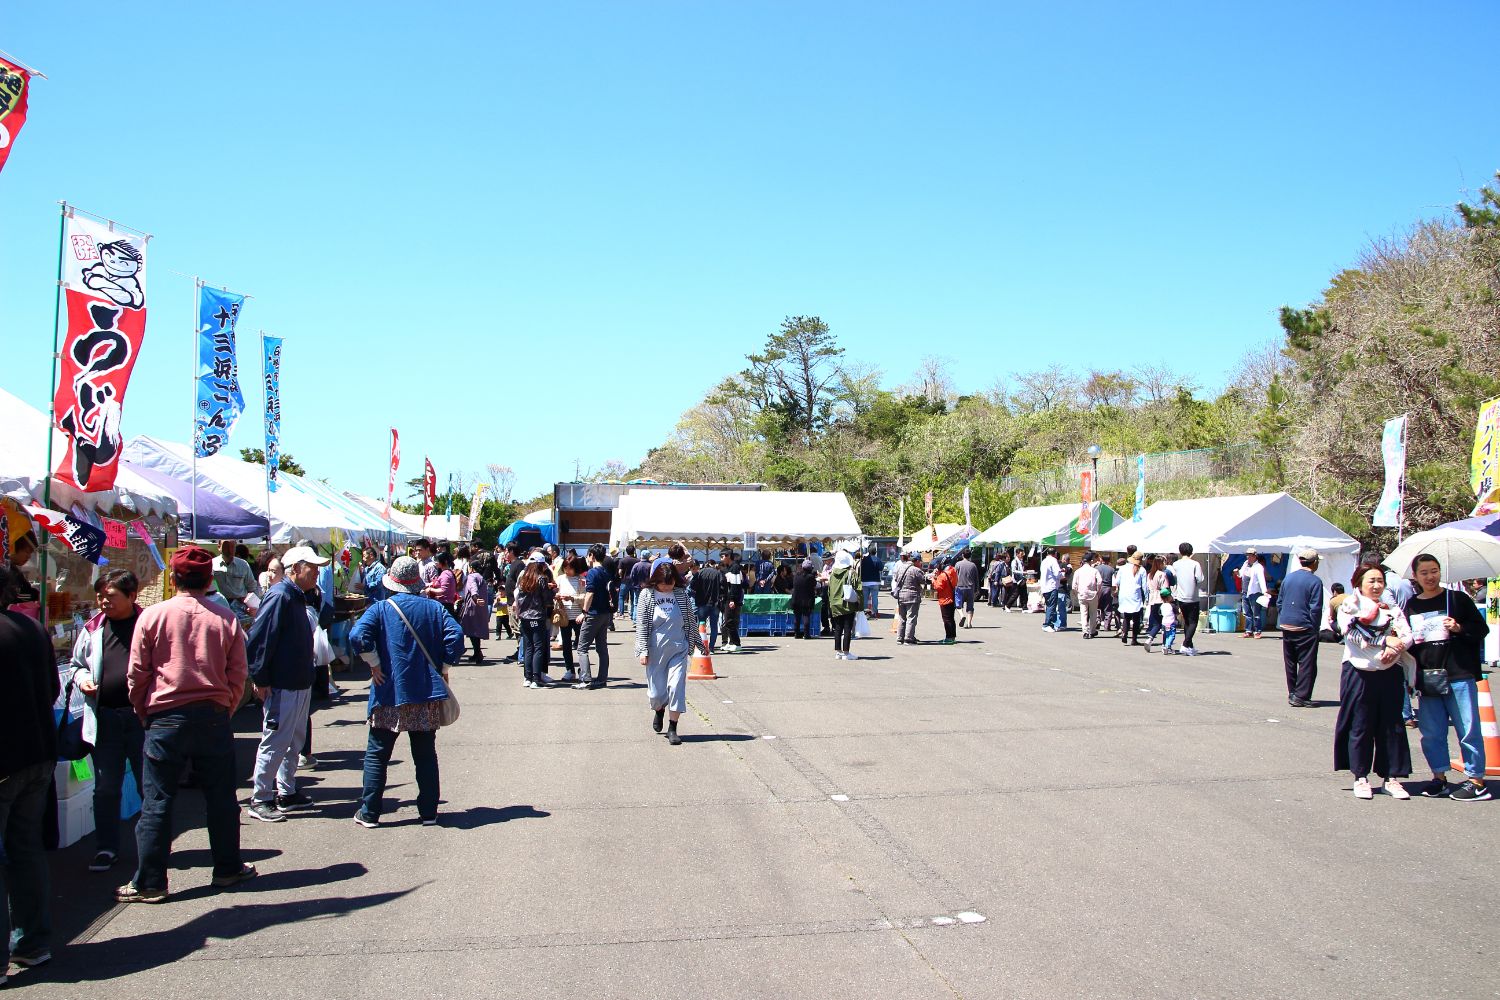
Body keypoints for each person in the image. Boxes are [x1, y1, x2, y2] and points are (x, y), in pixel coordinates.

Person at [119, 546, 254, 903]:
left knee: (158, 799)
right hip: (212, 714)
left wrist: (143, 710)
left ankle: (150, 881)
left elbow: (136, 674)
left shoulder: (151, 616)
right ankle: (227, 868)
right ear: (210, 579)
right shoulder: (225, 618)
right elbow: (238, 673)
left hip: (165, 716)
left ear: (174, 578)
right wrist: (226, 706)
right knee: (221, 797)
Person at [348, 555, 464, 827]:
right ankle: (428, 812)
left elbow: (357, 636)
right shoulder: (434, 609)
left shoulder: (380, 608)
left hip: (388, 689)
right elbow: (455, 636)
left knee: (378, 752)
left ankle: (369, 812)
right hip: (425, 692)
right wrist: (445, 666)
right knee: (425, 754)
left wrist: (374, 663)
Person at [1, 554, 59, 972]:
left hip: (7, 759)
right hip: (37, 756)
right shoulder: (31, 628)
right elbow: (53, 690)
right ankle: (32, 941)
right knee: (25, 850)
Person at [243, 545, 328, 823]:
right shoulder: (280, 596)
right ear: (294, 569)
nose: (316, 572)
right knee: (276, 739)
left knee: (294, 740)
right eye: (311, 567)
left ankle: (286, 791)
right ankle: (260, 797)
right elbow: (261, 637)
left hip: (299, 680)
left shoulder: (295, 595)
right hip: (283, 682)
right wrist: (261, 677)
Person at [70, 569, 146, 873]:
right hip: (105, 719)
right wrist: (83, 678)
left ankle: (153, 847)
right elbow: (77, 665)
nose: (103, 602)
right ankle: (106, 848)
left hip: (142, 718)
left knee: (148, 785)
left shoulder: (148, 625)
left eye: (110, 596)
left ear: (132, 596)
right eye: (100, 595)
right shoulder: (93, 628)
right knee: (105, 787)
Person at [1405, 553, 1492, 801]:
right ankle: (1439, 778)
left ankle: (1476, 781)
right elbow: (1410, 642)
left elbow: (1480, 630)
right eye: (1424, 573)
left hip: (1459, 673)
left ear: (1440, 572)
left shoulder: (1457, 599)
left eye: (1434, 571)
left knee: (1468, 729)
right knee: (1432, 732)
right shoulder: (1412, 605)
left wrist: (1459, 628)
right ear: (1416, 576)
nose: (1430, 576)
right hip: (1428, 678)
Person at [1334, 562, 1413, 800]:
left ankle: (1391, 777)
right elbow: (1352, 634)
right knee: (1361, 725)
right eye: (1371, 581)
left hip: (1389, 671)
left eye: (1380, 581)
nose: (1377, 585)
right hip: (1359, 673)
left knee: (1392, 725)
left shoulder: (1390, 608)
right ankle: (1360, 776)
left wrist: (1396, 647)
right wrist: (1385, 642)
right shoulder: (1349, 606)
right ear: (1359, 583)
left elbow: (1406, 634)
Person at [635, 562, 704, 745]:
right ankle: (659, 709)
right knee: (657, 693)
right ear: (655, 580)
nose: (667, 587)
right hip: (655, 649)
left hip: (678, 648)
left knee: (675, 686)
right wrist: (642, 650)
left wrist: (697, 642)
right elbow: (642, 624)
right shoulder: (646, 595)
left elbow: (690, 619)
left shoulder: (680, 595)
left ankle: (673, 728)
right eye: (663, 583)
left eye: (671, 583)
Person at [1277, 547, 1324, 707]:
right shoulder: (1315, 581)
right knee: (1307, 662)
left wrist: (1284, 615)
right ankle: (1301, 695)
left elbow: (1280, 602)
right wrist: (1315, 627)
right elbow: (1315, 607)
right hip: (1305, 626)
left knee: (1290, 661)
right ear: (1314, 562)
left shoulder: (1288, 578)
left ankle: (1292, 692)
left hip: (1287, 624)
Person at [514, 553, 556, 688]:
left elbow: (519, 597)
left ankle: (527, 677)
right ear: (540, 565)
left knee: (528, 647)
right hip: (537, 616)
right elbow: (547, 599)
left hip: (524, 616)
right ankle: (536, 679)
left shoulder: (523, 578)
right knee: (538, 647)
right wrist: (552, 591)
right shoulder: (541, 579)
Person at [576, 544, 613, 688]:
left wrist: (584, 612)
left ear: (591, 555)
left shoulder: (592, 573)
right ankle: (602, 678)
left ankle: (585, 679)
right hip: (605, 613)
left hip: (593, 613)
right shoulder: (605, 572)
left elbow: (590, 593)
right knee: (602, 648)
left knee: (582, 647)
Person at [213, 538, 261, 629]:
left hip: (240, 608)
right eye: (226, 546)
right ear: (219, 547)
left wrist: (253, 606)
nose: (230, 549)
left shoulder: (243, 565)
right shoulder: (212, 565)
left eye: (232, 546)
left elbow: (252, 587)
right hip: (219, 608)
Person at [457, 554, 492, 665]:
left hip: (472, 607)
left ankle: (477, 653)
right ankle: (477, 652)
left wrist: (475, 598)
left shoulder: (472, 576)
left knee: (472, 631)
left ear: (471, 567)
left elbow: (473, 589)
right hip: (480, 607)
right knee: (475, 630)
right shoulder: (480, 577)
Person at [828, 550, 861, 659]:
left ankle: (838, 652)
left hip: (835, 604)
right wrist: (860, 606)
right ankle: (846, 653)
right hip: (848, 604)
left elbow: (829, 590)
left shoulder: (832, 573)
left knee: (837, 628)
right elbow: (858, 589)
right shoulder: (851, 573)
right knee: (847, 628)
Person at [892, 552, 926, 645]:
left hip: (901, 596)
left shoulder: (900, 568)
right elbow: (923, 580)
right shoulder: (916, 570)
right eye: (920, 562)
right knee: (911, 618)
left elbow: (896, 579)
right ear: (917, 561)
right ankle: (908, 638)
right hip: (912, 596)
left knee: (902, 618)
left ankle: (900, 638)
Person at [691, 554, 723, 651]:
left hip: (702, 603)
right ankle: (711, 647)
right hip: (715, 603)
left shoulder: (699, 573)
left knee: (700, 625)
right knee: (714, 627)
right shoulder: (718, 573)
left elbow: (692, 586)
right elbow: (723, 587)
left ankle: (699, 646)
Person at [1236, 548, 1269, 638]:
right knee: (1247, 612)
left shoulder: (1258, 567)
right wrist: (1237, 572)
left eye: (1250, 555)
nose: (1248, 557)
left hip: (1254, 592)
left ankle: (1257, 631)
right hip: (1245, 591)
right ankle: (1248, 630)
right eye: (1247, 555)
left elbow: (1262, 580)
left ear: (1255, 556)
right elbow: (1240, 575)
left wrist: (1264, 591)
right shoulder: (1245, 564)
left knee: (1256, 613)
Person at [1116, 552, 1147, 646]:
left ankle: (1124, 633)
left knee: (1126, 616)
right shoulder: (1142, 570)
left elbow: (1117, 581)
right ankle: (1134, 639)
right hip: (1135, 595)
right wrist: (1146, 597)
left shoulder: (1123, 568)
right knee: (1136, 618)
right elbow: (1144, 586)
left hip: (1124, 594)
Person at [719, 550, 746, 653]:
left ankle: (736, 643)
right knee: (728, 621)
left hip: (732, 599)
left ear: (728, 556)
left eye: (722, 556)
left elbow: (735, 586)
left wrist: (732, 600)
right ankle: (732, 643)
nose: (721, 559)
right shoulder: (730, 568)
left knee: (730, 621)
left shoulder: (734, 568)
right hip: (728, 598)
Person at [1072, 553, 1102, 639]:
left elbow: (1074, 585)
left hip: (1082, 594)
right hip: (1092, 594)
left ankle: (1085, 631)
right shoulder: (1094, 571)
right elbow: (1099, 581)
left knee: (1083, 613)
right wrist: (1097, 590)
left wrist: (1076, 593)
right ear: (1091, 561)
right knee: (1093, 613)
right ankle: (1092, 631)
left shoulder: (1078, 571)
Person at [932, 557, 958, 645]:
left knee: (947, 620)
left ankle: (949, 638)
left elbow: (938, 587)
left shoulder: (943, 575)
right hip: (951, 598)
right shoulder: (953, 572)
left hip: (945, 599)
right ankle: (952, 637)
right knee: (951, 619)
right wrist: (938, 574)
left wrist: (933, 580)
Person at [424, 549, 459, 614]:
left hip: (445, 605)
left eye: (437, 560)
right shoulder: (447, 573)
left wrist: (430, 589)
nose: (436, 562)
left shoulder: (446, 574)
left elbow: (444, 590)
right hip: (445, 604)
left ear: (444, 561)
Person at [790, 559, 818, 639]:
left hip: (796, 599)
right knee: (806, 616)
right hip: (807, 600)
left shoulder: (796, 576)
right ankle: (806, 634)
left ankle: (797, 633)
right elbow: (815, 584)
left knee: (797, 617)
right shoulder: (810, 577)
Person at [1039, 548, 1065, 632]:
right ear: (1055, 554)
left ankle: (1052, 623)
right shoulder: (1053, 561)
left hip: (1044, 586)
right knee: (1051, 606)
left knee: (1049, 605)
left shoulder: (1044, 561)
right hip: (1051, 586)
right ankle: (1047, 624)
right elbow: (1057, 573)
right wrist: (1062, 574)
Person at [953, 550, 979, 627]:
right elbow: (976, 578)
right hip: (970, 587)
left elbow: (954, 575)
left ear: (963, 555)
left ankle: (961, 615)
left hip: (959, 587)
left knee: (958, 605)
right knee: (970, 606)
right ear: (970, 556)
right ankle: (969, 623)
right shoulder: (973, 565)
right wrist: (977, 589)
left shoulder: (958, 564)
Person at [860, 545, 884, 618]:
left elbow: (861, 569)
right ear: (875, 552)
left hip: (865, 581)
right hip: (875, 581)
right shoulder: (877, 559)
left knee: (865, 598)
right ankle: (874, 612)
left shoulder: (864, 560)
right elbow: (881, 568)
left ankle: (865, 612)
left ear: (868, 551)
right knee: (874, 597)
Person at [618, 545, 640, 620]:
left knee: (621, 597)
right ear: (634, 551)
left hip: (625, 580)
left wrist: (621, 576)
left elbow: (620, 571)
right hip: (634, 581)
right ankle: (632, 614)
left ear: (626, 551)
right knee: (633, 599)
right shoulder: (637, 560)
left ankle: (621, 614)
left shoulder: (623, 560)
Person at [1095, 554, 1116, 632]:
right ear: (1109, 560)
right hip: (1107, 588)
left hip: (1098, 588)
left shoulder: (1096, 568)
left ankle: (1097, 620)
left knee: (1096, 606)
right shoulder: (1111, 569)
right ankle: (1107, 625)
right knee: (1108, 608)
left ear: (1102, 560)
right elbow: (1114, 582)